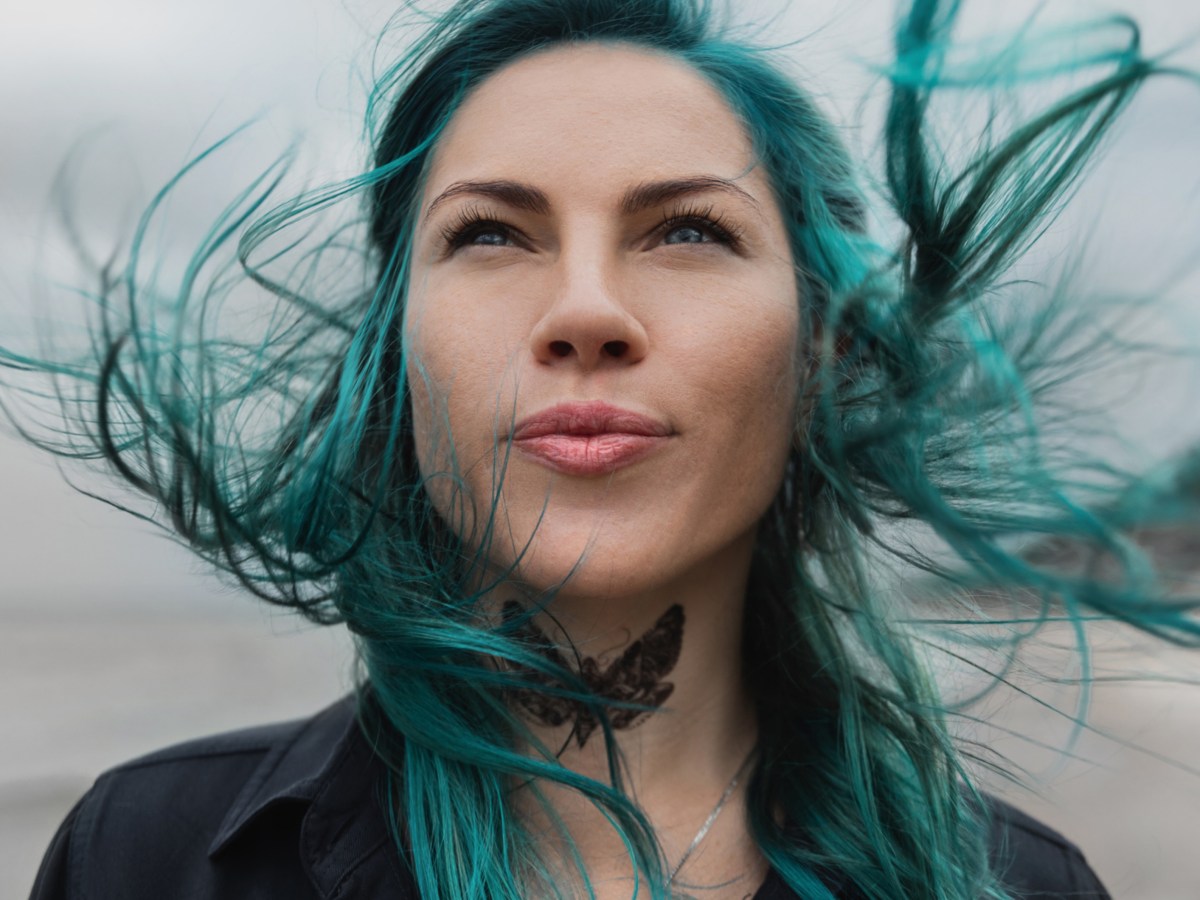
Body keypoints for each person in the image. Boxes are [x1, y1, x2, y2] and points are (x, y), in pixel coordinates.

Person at [13, 0, 1200, 897]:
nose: (586, 311)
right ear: (395, 355)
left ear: (822, 353)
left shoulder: (1018, 886)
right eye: (491, 234)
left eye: (688, 229)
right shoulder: (147, 858)